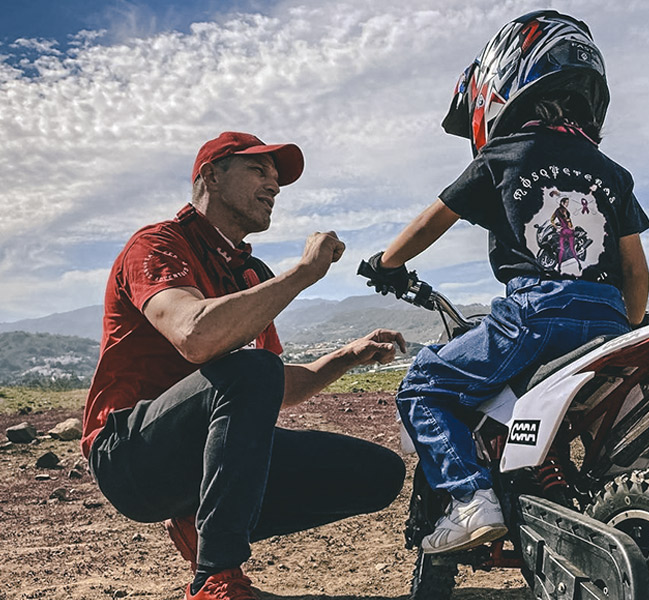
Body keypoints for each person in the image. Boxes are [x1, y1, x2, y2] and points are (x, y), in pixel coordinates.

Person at [362, 10, 649, 555]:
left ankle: (473, 500)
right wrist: (629, 326)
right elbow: (636, 270)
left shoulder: (505, 152)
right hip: (609, 318)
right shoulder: (611, 170)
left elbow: (434, 218)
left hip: (536, 312)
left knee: (423, 384)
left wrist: (388, 263)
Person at [82, 131, 407, 600]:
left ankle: (202, 522)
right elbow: (194, 335)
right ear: (210, 176)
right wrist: (303, 274)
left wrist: (347, 356)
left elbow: (279, 384)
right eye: (258, 170)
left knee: (379, 474)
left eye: (276, 177)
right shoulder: (157, 245)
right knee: (249, 368)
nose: (274, 185)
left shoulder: (249, 273)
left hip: (199, 459)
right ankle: (216, 579)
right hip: (130, 456)